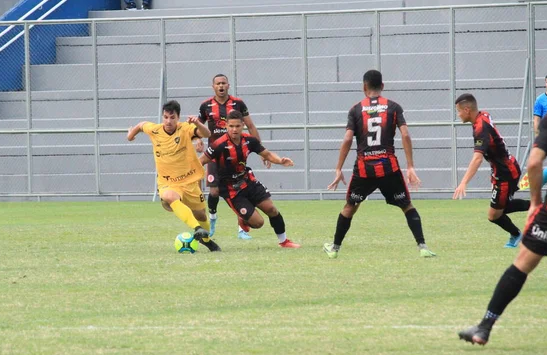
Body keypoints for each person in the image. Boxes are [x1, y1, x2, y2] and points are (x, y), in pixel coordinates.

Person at [458, 105, 547, 346]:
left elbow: (535, 163)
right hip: (507, 174)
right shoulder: (483, 117)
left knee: (522, 263)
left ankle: (484, 327)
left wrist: (536, 203)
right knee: (495, 213)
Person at [322, 69, 436, 259]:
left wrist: (338, 168)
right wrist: (410, 166)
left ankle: (334, 249)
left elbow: (348, 139)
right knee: (406, 205)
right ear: (382, 86)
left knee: (350, 206)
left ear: (364, 87)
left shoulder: (355, 109)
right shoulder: (393, 107)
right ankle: (422, 246)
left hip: (364, 168)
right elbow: (406, 134)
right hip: (388, 167)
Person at [127, 100, 221, 252]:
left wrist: (198, 123)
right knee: (170, 197)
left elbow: (207, 134)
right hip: (167, 182)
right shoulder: (155, 130)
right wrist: (130, 135)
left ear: (178, 117)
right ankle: (197, 228)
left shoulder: (185, 129)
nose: (168, 121)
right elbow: (141, 125)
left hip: (189, 181)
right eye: (165, 117)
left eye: (172, 118)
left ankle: (207, 240)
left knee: (201, 215)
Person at [198, 111, 301, 249]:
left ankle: (284, 241)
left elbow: (267, 154)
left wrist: (280, 161)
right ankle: (244, 219)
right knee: (258, 223)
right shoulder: (219, 145)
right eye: (231, 126)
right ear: (226, 126)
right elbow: (201, 161)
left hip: (248, 181)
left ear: (243, 126)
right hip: (231, 190)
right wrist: (192, 178)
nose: (234, 129)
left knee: (271, 209)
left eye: (238, 126)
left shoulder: (249, 141)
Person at [453, 93, 530, 248]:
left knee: (494, 215)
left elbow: (477, 158)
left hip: (506, 173)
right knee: (500, 208)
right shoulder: (483, 116)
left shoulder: (480, 128)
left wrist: (463, 182)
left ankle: (517, 233)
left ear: (467, 110)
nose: (458, 115)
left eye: (459, 111)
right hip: (504, 170)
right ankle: (537, 206)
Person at [197, 74, 266, 240]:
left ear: (228, 85)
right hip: (215, 155)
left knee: (239, 188)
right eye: (218, 83)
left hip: (236, 154)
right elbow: (196, 128)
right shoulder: (206, 106)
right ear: (213, 86)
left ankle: (241, 229)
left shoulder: (238, 103)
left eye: (223, 83)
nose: (221, 86)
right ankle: (212, 217)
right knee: (214, 191)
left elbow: (250, 126)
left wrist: (261, 150)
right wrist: (198, 140)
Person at [519, 73, 547, 190]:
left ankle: (536, 186)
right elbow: (536, 119)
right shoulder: (540, 100)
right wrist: (539, 137)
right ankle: (536, 186)